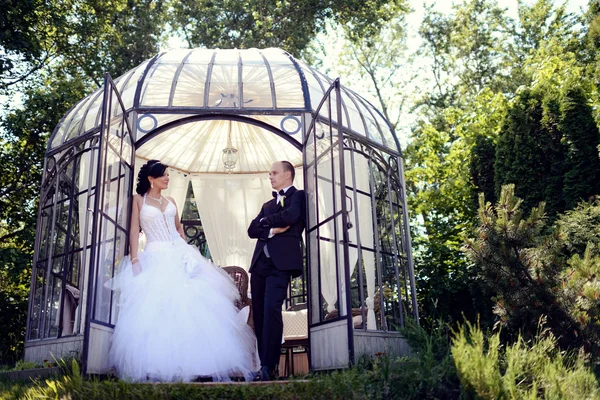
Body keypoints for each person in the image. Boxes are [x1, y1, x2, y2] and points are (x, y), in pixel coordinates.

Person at [107, 160, 256, 382]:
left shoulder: (171, 201)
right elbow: (133, 230)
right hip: (154, 256)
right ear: (151, 178)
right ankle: (157, 364)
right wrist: (135, 257)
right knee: (157, 309)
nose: (168, 178)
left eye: (168, 175)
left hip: (178, 253)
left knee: (193, 307)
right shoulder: (138, 200)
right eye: (164, 175)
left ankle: (199, 363)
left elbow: (178, 227)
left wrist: (184, 247)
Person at [247, 161, 306, 381]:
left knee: (272, 309)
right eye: (269, 173)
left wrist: (264, 223)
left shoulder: (298, 197)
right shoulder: (267, 204)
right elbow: (252, 230)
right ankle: (265, 366)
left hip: (281, 265)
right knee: (261, 314)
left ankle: (270, 364)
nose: (270, 176)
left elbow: (291, 217)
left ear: (288, 174)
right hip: (260, 264)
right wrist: (270, 228)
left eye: (274, 173)